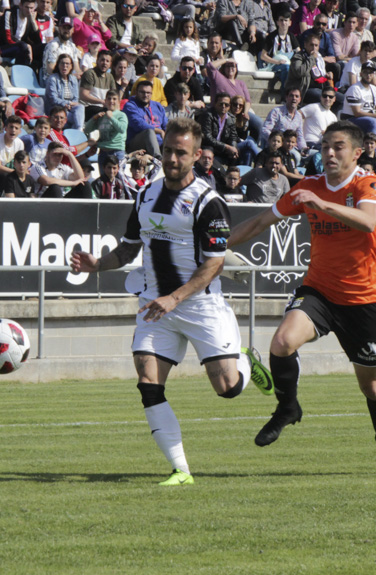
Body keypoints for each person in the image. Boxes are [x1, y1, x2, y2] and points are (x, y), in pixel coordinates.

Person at [70, 117, 273, 486]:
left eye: (181, 152)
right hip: (155, 305)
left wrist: (175, 298)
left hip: (199, 305)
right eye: (167, 151)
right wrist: (97, 265)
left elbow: (214, 264)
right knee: (148, 381)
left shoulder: (208, 203)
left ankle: (245, 362)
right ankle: (181, 470)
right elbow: (130, 247)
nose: (172, 158)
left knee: (227, 388)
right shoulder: (145, 194)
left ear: (196, 156)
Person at [228, 119, 376, 475]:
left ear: (357, 153)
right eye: (324, 147)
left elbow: (368, 222)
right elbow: (260, 222)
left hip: (362, 300)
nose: (330, 153)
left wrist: (320, 203)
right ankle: (287, 407)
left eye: (338, 147)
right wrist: (213, 247)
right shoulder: (307, 187)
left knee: (372, 387)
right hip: (319, 291)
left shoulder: (367, 184)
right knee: (281, 342)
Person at [83, 87, 127, 163]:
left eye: (114, 99)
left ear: (119, 101)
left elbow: (122, 129)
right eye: (109, 99)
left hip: (116, 151)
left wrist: (111, 117)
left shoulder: (121, 115)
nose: (111, 101)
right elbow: (87, 129)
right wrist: (94, 118)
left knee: (117, 175)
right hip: (103, 152)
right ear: (105, 101)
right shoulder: (102, 116)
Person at [122, 80, 166, 156]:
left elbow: (166, 125)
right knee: (149, 131)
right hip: (137, 143)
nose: (145, 95)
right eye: (142, 92)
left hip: (160, 143)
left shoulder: (158, 106)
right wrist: (160, 131)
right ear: (136, 92)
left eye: (148, 93)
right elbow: (139, 125)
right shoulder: (130, 106)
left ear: (152, 93)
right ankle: (157, 158)